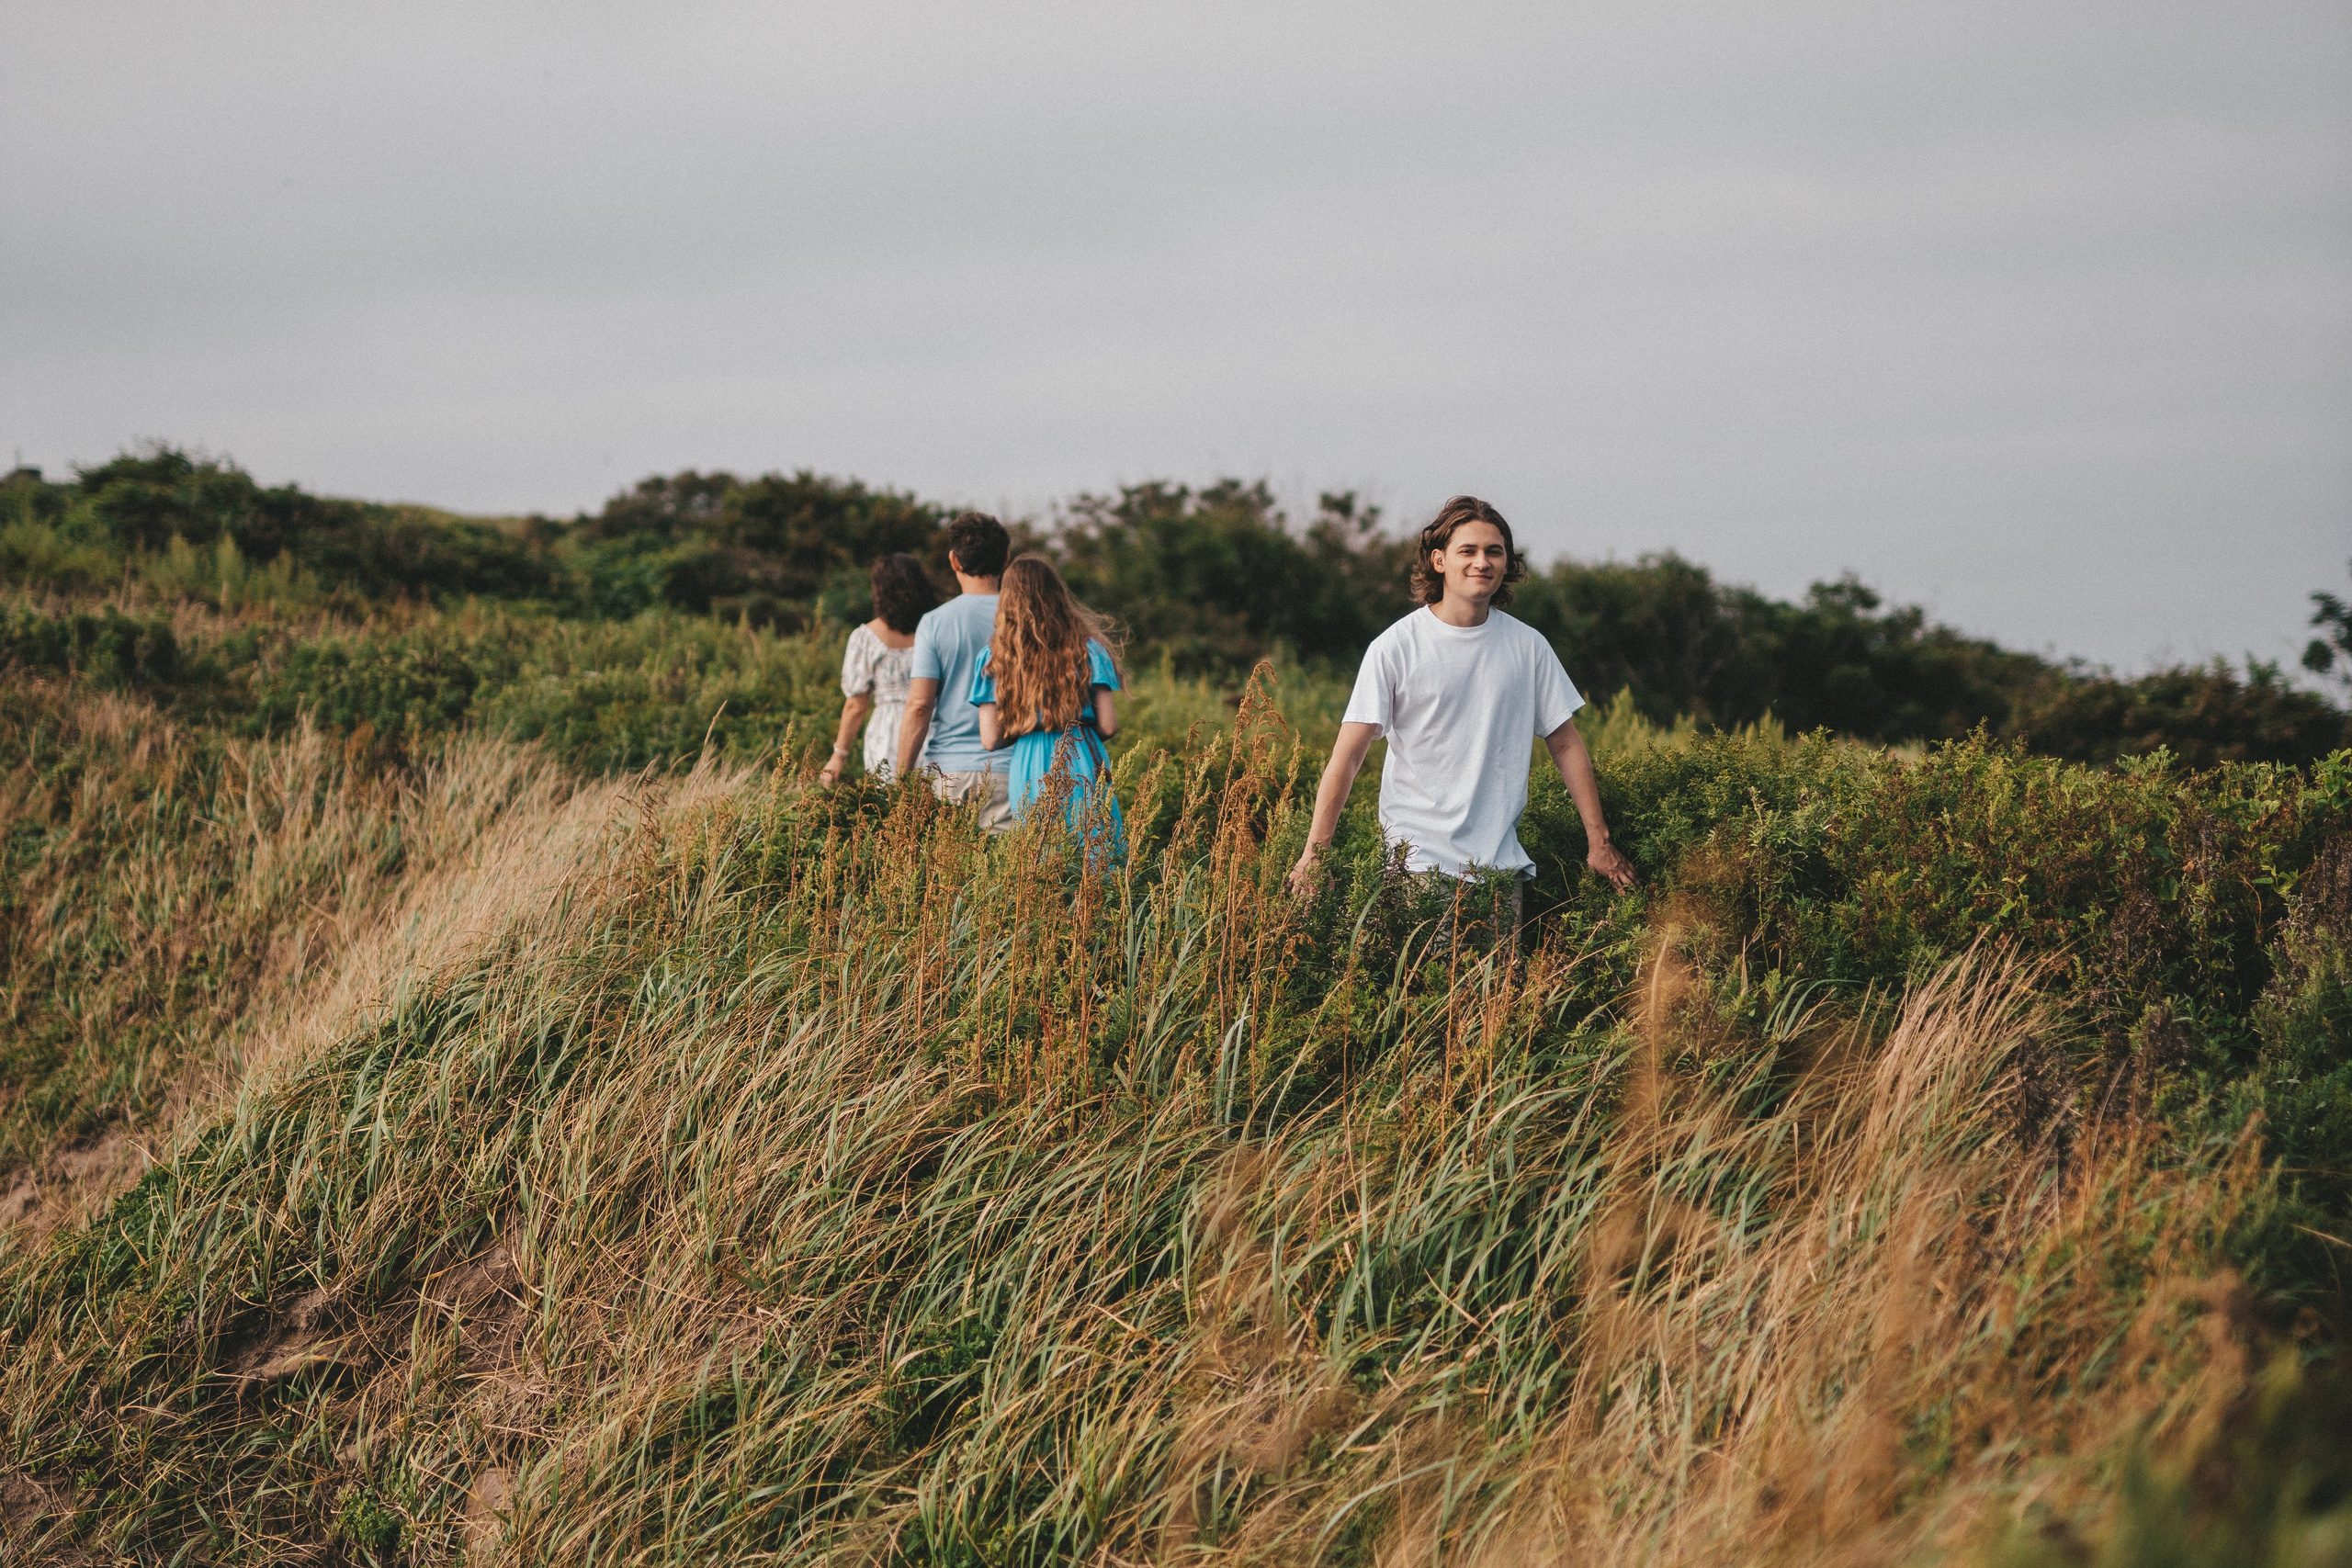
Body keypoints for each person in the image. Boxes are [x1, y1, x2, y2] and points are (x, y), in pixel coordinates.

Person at [1287, 495, 1636, 932]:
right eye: (1467, 551)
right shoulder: (1395, 647)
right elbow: (1348, 756)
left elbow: (1565, 744)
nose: (1482, 562)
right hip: (1415, 867)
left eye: (1494, 551)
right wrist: (1313, 855)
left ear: (1507, 563)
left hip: (1498, 871)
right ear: (1439, 560)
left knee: (1497, 1000)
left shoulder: (1528, 648)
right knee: (1422, 998)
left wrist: (1598, 840)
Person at [970, 556, 1125, 847]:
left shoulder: (993, 658)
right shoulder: (1090, 649)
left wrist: (1029, 724)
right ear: (1057, 596)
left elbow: (990, 739)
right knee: (1094, 844)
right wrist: (1075, 727)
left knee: (1039, 851)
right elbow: (1109, 725)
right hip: (1082, 752)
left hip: (1027, 762)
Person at [896, 512, 1015, 831]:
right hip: (1013, 769)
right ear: (1005, 559)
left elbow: (920, 705)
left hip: (948, 772)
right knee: (1006, 877)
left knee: (948, 876)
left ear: (954, 561)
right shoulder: (1025, 618)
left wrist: (902, 779)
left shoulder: (935, 622)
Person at [820, 553, 938, 786]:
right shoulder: (935, 630)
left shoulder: (865, 638)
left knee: (891, 805)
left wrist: (839, 755)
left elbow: (856, 706)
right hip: (933, 726)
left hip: (888, 732)